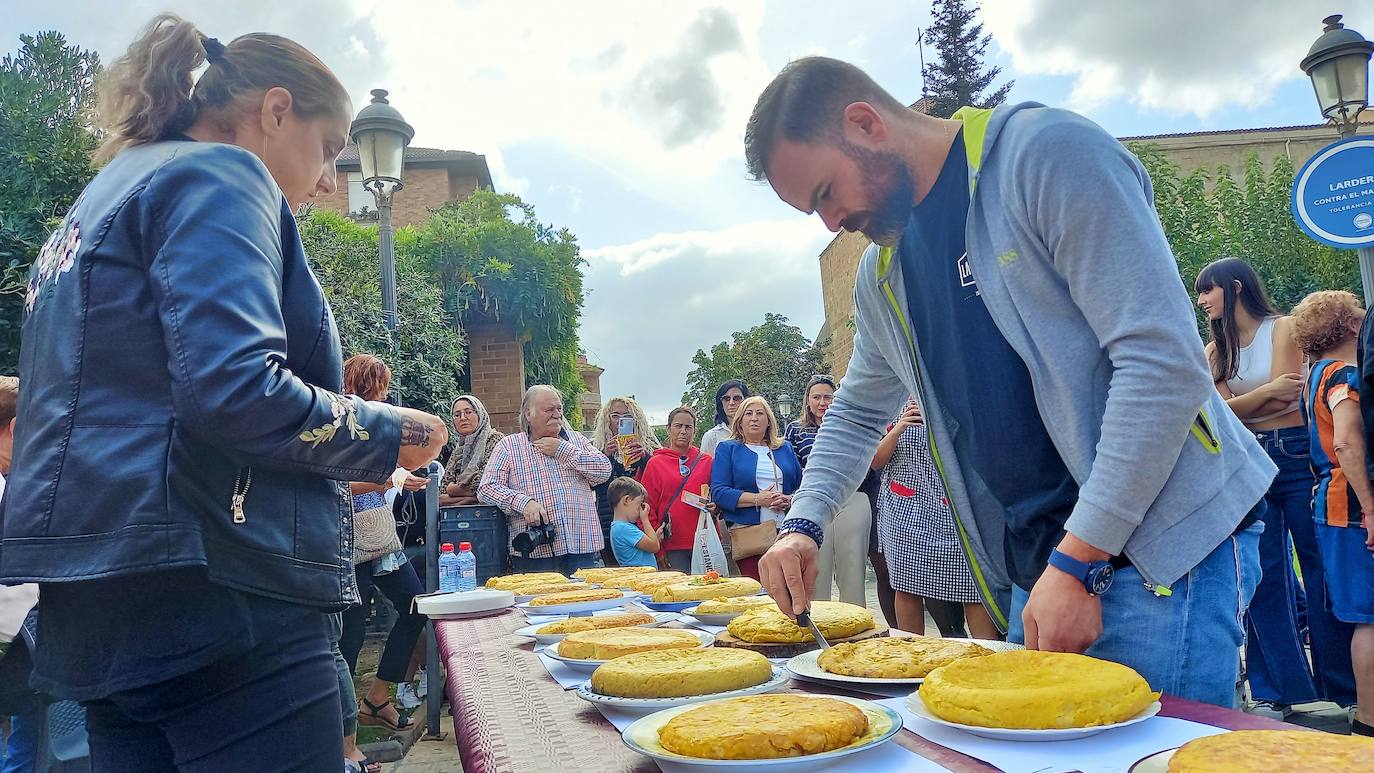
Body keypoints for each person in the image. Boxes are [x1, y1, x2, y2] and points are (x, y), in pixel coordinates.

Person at [746, 56, 1274, 708]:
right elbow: (856, 412)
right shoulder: (884, 274)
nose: (831, 223)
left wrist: (1080, 557)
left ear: (865, 124)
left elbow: (1162, 365)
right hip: (1042, 569)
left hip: (1153, 556)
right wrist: (804, 522)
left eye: (826, 192)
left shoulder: (1046, 154)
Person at [0, 14, 449, 768]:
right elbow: (236, 388)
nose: (320, 179)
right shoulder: (223, 172)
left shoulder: (93, 204)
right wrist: (390, 429)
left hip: (99, 602)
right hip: (227, 592)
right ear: (275, 111)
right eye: (329, 147)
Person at [1197, 257, 1354, 712]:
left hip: (1296, 453)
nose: (1203, 300)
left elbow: (1290, 396)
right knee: (1262, 577)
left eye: (1208, 290)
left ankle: (1337, 690)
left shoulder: (1282, 329)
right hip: (1247, 458)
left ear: (1237, 287)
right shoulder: (1214, 351)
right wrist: (1263, 397)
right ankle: (1290, 693)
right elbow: (1221, 414)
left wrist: (1247, 402)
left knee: (1319, 567)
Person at [1290, 290, 1374, 737]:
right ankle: (1369, 720)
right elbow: (1345, 440)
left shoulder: (1314, 374)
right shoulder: (1345, 375)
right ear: (1354, 326)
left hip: (1328, 500)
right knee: (1371, 615)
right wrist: (1372, 505)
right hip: (1352, 504)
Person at [338, 355, 429, 739]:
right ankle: (344, 740)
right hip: (348, 538)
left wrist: (396, 476)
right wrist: (390, 482)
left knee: (415, 606)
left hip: (379, 537)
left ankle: (376, 698)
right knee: (352, 635)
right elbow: (339, 486)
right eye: (382, 385)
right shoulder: (340, 424)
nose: (387, 393)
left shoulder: (376, 425)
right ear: (368, 385)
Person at [872, 399, 999, 639]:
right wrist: (900, 427)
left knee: (972, 588)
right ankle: (909, 663)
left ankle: (989, 662)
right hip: (904, 510)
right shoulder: (893, 403)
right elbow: (875, 461)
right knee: (906, 586)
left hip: (956, 508)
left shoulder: (952, 392)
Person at [479, 386, 612, 575]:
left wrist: (562, 450)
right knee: (536, 603)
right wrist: (524, 503)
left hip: (583, 548)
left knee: (586, 603)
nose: (557, 414)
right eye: (549, 410)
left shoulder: (576, 441)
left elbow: (604, 470)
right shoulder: (509, 446)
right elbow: (486, 489)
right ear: (528, 414)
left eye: (559, 409)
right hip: (535, 553)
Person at [784, 375, 870, 605]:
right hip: (813, 501)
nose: (823, 402)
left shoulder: (852, 427)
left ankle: (855, 619)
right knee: (815, 564)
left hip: (851, 497)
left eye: (828, 397)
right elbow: (789, 468)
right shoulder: (795, 430)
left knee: (852, 565)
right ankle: (818, 620)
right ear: (807, 401)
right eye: (817, 397)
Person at [710, 396, 802, 580]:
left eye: (760, 413)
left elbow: (802, 487)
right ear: (740, 421)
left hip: (786, 531)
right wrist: (758, 499)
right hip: (750, 534)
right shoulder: (727, 449)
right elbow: (719, 492)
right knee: (758, 589)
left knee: (789, 586)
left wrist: (789, 500)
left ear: (768, 421)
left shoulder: (785, 448)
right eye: (748, 414)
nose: (754, 418)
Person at [643, 407, 717, 573]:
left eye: (688, 427)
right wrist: (658, 548)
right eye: (678, 426)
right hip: (672, 545)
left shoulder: (707, 462)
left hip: (706, 542)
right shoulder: (655, 464)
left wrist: (717, 506)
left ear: (695, 431)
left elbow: (719, 495)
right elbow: (647, 509)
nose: (683, 431)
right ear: (668, 429)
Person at [591, 397, 660, 566]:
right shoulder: (594, 449)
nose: (620, 421)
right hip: (608, 522)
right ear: (607, 420)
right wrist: (604, 455)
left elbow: (658, 480)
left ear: (636, 420)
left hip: (642, 520)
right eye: (615, 416)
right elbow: (588, 483)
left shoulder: (648, 448)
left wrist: (644, 458)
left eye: (627, 416)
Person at [439, 395, 505, 507]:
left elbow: (483, 484)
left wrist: (452, 490)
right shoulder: (458, 451)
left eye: (468, 412)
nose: (463, 418)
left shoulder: (496, 440)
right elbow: (442, 494)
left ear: (480, 414)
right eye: (457, 415)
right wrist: (470, 499)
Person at [608, 477, 662, 568]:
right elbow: (654, 547)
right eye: (639, 505)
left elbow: (649, 545)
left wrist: (655, 537)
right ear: (627, 500)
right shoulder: (623, 528)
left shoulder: (621, 527)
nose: (641, 511)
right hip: (639, 578)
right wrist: (645, 519)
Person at [700, 380, 750, 457]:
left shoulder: (756, 432)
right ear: (721, 403)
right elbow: (705, 466)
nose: (731, 403)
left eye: (736, 398)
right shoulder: (712, 436)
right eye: (726, 399)